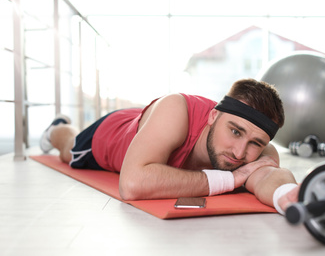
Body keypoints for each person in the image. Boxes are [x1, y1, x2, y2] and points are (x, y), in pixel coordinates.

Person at [40, 78, 299, 215]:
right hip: (112, 134)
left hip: (151, 125)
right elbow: (132, 185)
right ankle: (57, 127)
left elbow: (270, 176)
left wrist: (289, 195)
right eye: (234, 131)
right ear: (212, 116)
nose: (239, 153)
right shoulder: (177, 107)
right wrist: (229, 180)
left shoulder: (257, 149)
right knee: (67, 148)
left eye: (255, 143)